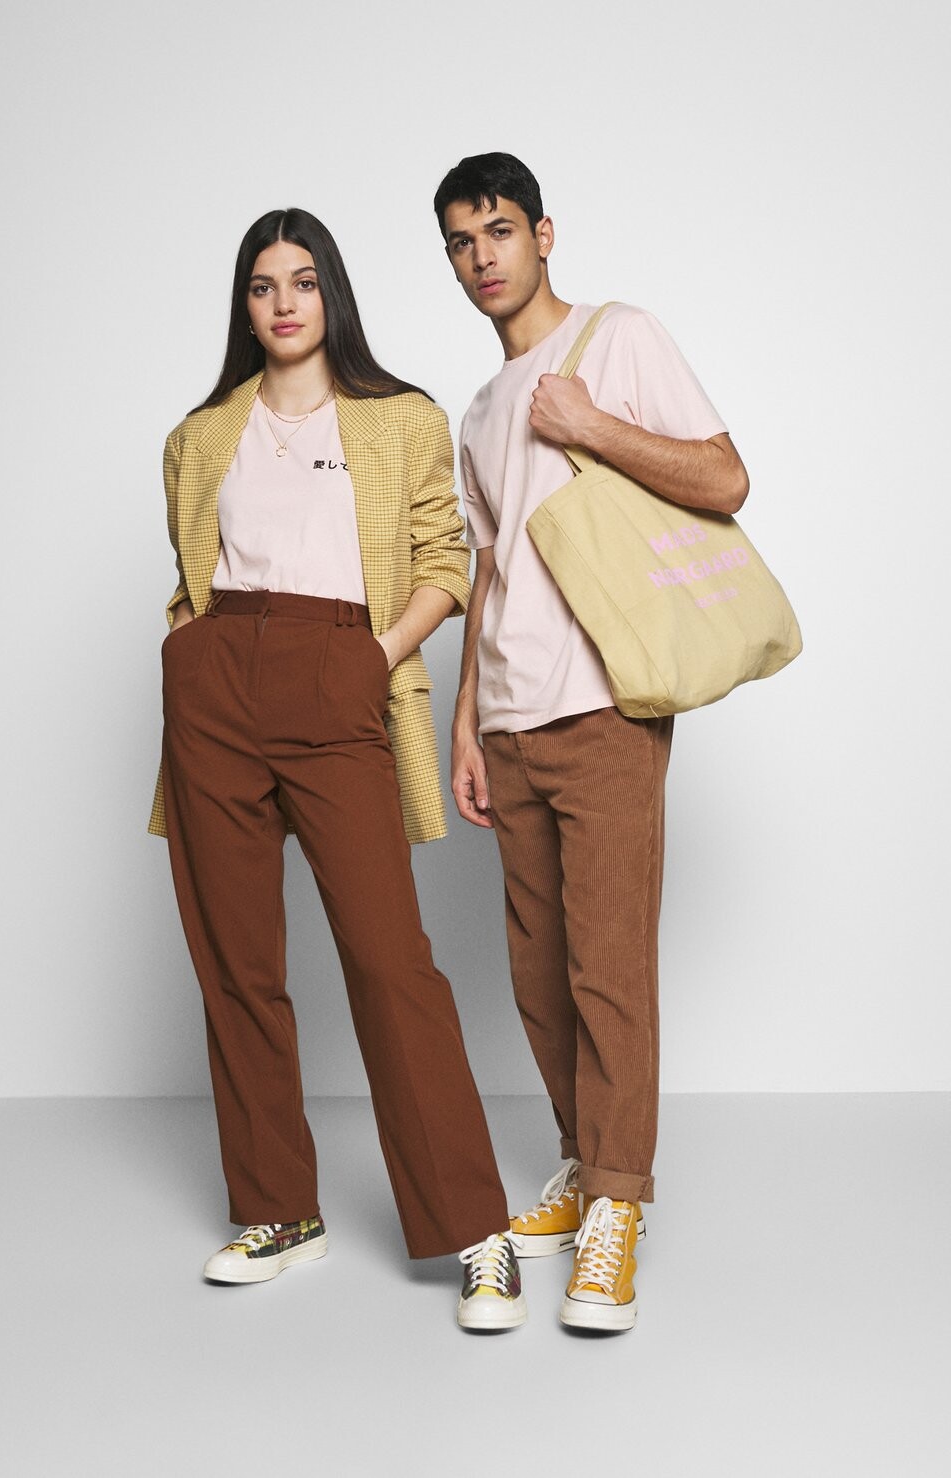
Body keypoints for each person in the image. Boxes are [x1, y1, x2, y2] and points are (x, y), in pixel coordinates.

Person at [148, 207, 525, 1330]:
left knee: (389, 959)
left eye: (303, 281)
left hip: (338, 675)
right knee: (235, 961)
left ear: (332, 295)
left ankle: (476, 1228)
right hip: (217, 686)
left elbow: (448, 558)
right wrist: (190, 657)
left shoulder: (398, 418)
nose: (284, 302)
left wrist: (374, 657)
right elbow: (192, 567)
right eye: (263, 284)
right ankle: (276, 1209)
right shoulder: (201, 433)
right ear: (244, 303)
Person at [433, 154, 749, 1331]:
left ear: (544, 233)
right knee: (536, 974)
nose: (483, 257)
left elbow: (725, 476)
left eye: (499, 230)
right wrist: (464, 721)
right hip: (511, 718)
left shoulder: (616, 339)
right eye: (461, 241)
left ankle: (619, 1199)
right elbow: (488, 567)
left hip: (609, 704)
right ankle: (582, 1156)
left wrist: (592, 426)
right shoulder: (477, 412)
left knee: (608, 966)